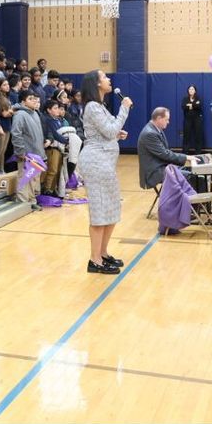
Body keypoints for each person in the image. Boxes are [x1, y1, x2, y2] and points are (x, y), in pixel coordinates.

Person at [77, 71, 133, 274]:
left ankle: (103, 253)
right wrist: (124, 109)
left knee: (110, 209)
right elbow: (109, 130)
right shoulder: (92, 106)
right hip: (95, 163)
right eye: (105, 77)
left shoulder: (99, 106)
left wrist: (117, 133)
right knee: (100, 211)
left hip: (105, 163)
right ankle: (95, 260)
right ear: (96, 84)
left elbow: (110, 130)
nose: (109, 79)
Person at [138, 108, 190, 190]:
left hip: (161, 166)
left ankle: (191, 201)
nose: (168, 122)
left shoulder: (156, 129)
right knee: (190, 176)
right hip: (153, 172)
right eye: (167, 120)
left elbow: (166, 152)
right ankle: (191, 201)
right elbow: (164, 154)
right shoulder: (150, 133)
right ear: (159, 118)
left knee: (192, 171)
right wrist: (186, 157)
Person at [10, 90, 45, 208]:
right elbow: (16, 133)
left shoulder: (34, 113)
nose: (34, 100)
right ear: (23, 102)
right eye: (30, 98)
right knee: (25, 178)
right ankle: (22, 202)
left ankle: (31, 200)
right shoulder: (20, 114)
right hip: (26, 153)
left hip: (37, 153)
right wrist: (20, 151)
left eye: (34, 98)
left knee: (33, 179)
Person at [181, 85, 203, 154]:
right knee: (186, 136)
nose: (191, 90)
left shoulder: (198, 98)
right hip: (187, 119)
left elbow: (199, 106)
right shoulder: (185, 98)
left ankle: (198, 152)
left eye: (192, 89)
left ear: (195, 91)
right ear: (188, 90)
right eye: (190, 89)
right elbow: (183, 106)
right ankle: (185, 151)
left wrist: (190, 105)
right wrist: (194, 105)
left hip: (197, 119)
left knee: (198, 135)